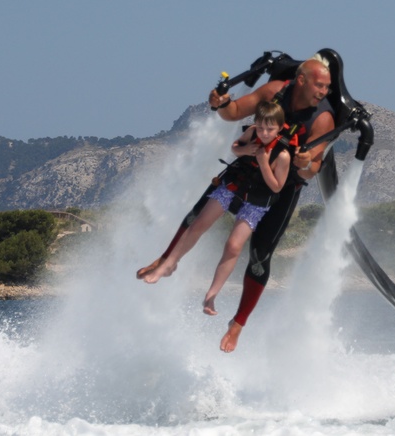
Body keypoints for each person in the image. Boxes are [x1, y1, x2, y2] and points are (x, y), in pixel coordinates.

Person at [138, 54, 335, 353]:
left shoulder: (323, 118)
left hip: (279, 188)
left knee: (258, 256)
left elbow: (314, 168)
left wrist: (306, 162)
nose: (323, 92)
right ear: (302, 80)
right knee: (197, 215)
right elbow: (234, 113)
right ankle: (167, 260)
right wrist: (221, 104)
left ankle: (238, 323)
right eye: (319, 85)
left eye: (327, 87)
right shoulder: (274, 92)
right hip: (244, 171)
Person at [141, 102, 292, 316]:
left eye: (270, 129)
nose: (264, 133)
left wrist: (263, 162)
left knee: (233, 246)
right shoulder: (251, 132)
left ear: (280, 128)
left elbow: (277, 186)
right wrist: (245, 150)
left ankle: (211, 296)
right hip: (234, 186)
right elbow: (234, 147)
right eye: (260, 127)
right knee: (199, 223)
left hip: (256, 201)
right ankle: (168, 265)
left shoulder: (283, 155)